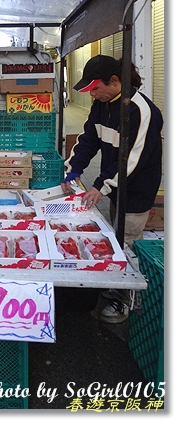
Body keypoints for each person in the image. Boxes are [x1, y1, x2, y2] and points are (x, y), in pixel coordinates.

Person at [61, 54, 163, 323]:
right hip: (116, 184)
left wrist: (100, 185)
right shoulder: (101, 106)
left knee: (128, 241)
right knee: (114, 237)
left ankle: (125, 301)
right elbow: (88, 140)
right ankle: (114, 281)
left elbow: (132, 160)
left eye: (96, 88)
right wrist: (74, 168)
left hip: (137, 187)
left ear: (115, 81)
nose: (93, 95)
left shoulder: (141, 111)